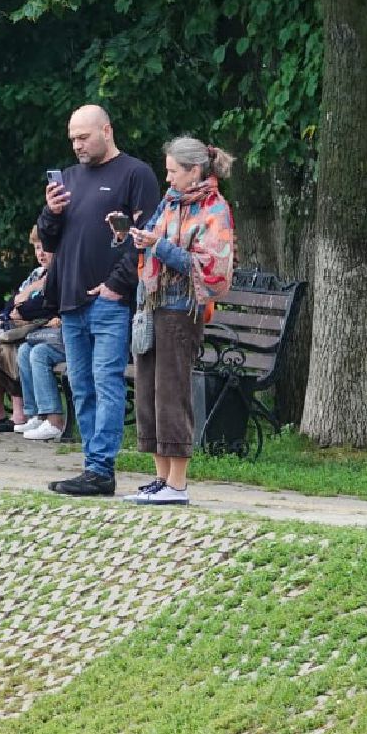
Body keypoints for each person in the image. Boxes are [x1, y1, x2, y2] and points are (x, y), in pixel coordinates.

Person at [38, 104, 160, 496]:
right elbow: (50, 240)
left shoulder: (135, 173)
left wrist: (117, 284)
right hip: (71, 299)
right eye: (72, 138)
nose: (77, 145)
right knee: (82, 385)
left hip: (109, 300)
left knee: (106, 381)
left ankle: (101, 467)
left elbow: (145, 235)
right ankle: (92, 465)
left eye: (84, 136)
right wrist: (50, 213)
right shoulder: (69, 179)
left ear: (106, 130)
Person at [123, 137, 237, 505]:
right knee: (148, 391)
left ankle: (178, 483)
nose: (168, 178)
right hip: (151, 306)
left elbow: (210, 268)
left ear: (194, 170)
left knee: (172, 392)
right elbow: (153, 239)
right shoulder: (170, 202)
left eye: (173, 172)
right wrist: (135, 235)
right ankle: (159, 478)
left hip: (181, 311)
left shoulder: (215, 209)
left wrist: (158, 245)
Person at [0, 228, 56, 432]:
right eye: (37, 248)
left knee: (5, 349)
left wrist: (20, 305)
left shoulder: (57, 276)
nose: (40, 253)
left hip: (38, 330)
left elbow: (42, 306)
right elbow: (12, 303)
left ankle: (19, 414)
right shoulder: (36, 274)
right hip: (20, 328)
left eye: (45, 248)